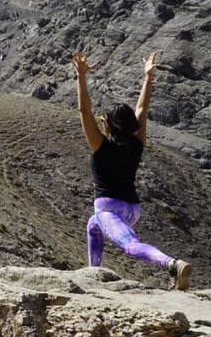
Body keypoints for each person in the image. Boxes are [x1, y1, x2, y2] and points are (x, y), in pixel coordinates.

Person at [70, 50, 192, 290]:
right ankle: (93, 273)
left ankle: (173, 265)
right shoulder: (137, 143)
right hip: (133, 209)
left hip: (109, 208)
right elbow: (141, 108)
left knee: (130, 246)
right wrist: (148, 78)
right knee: (92, 226)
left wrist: (81, 77)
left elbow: (84, 112)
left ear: (106, 125)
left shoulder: (101, 146)